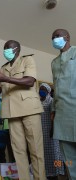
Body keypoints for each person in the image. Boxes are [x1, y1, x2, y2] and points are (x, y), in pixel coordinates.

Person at [0, 40, 46, 180]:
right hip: (12, 112)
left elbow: (29, 81)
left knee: (35, 150)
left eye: (8, 48)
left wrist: (5, 78)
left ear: (17, 49)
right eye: (4, 48)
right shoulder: (3, 68)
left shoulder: (28, 60)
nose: (5, 50)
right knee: (18, 151)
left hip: (29, 109)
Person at [51, 29, 76, 180]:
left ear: (67, 37)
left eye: (58, 36)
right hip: (61, 114)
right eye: (53, 37)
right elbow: (56, 86)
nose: (55, 39)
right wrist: (53, 110)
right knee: (69, 159)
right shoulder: (54, 62)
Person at [39, 83, 65, 180]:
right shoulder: (38, 102)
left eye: (44, 89)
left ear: (48, 91)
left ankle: (57, 173)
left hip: (51, 131)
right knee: (45, 155)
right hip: (42, 132)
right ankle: (47, 173)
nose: (41, 91)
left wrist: (52, 129)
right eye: (40, 89)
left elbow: (54, 117)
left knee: (55, 153)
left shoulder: (51, 101)